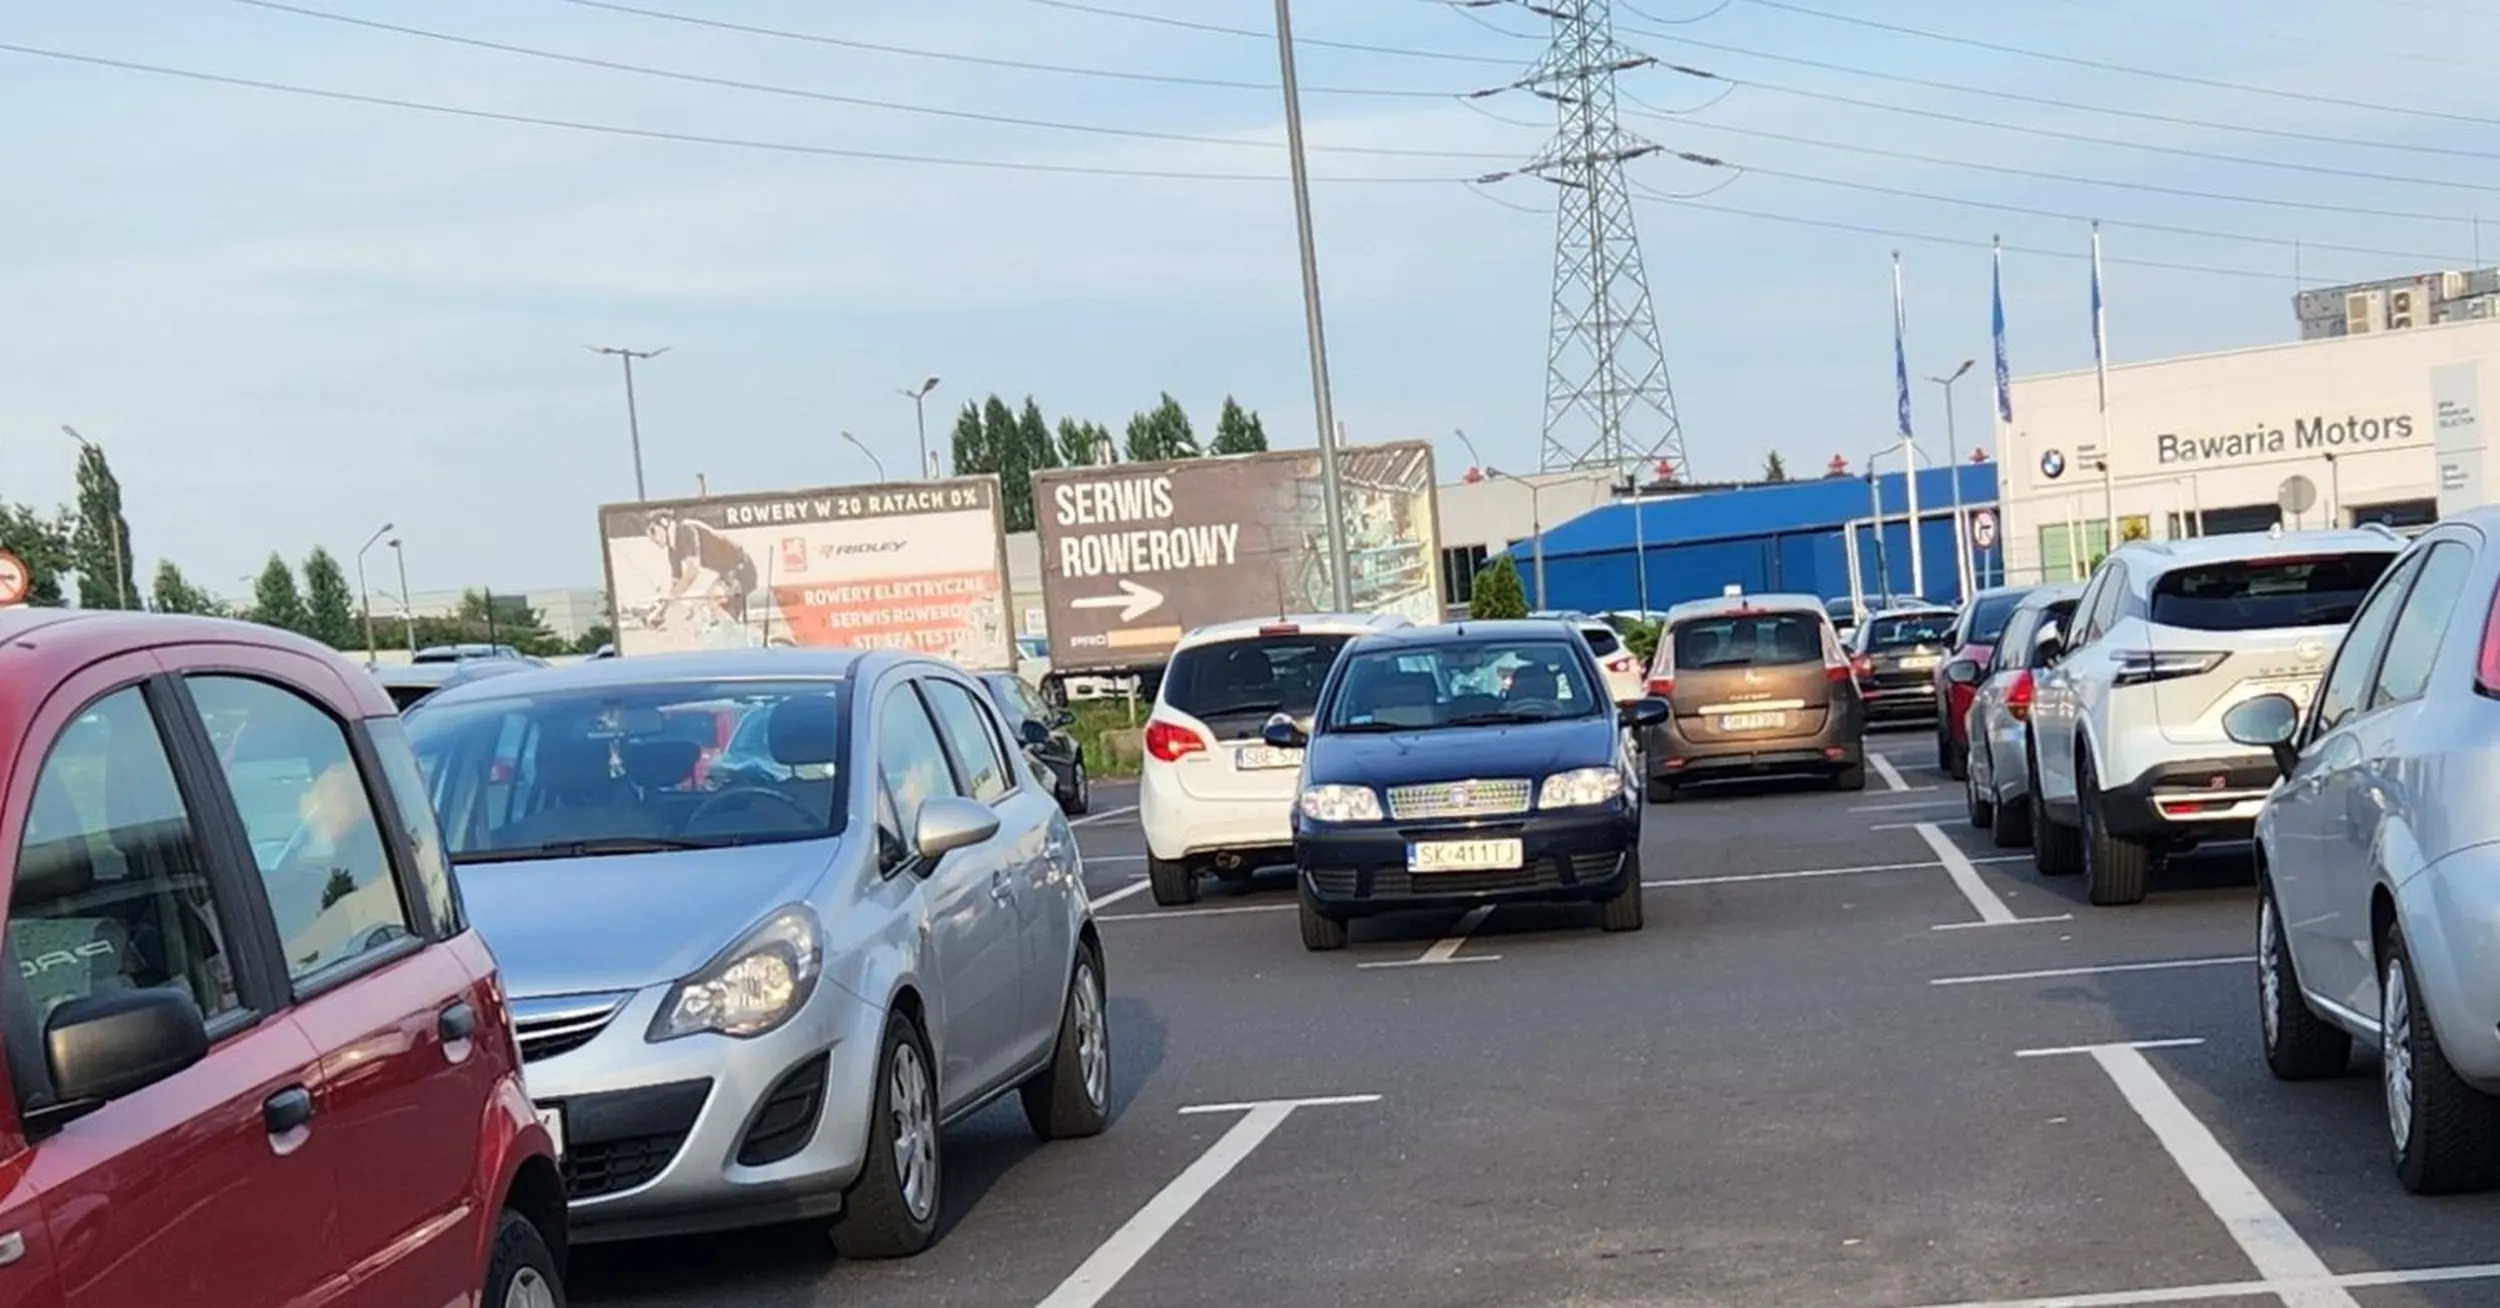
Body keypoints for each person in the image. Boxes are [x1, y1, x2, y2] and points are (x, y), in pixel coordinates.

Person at [644, 507, 760, 636]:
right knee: (710, 612)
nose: (652, 538)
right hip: (729, 572)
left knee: (712, 599)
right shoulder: (673, 551)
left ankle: (738, 637)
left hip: (741, 567)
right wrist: (660, 613)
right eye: (648, 535)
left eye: (652, 531)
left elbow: (692, 572)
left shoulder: (685, 529)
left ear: (664, 522)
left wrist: (665, 606)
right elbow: (675, 588)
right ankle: (743, 638)